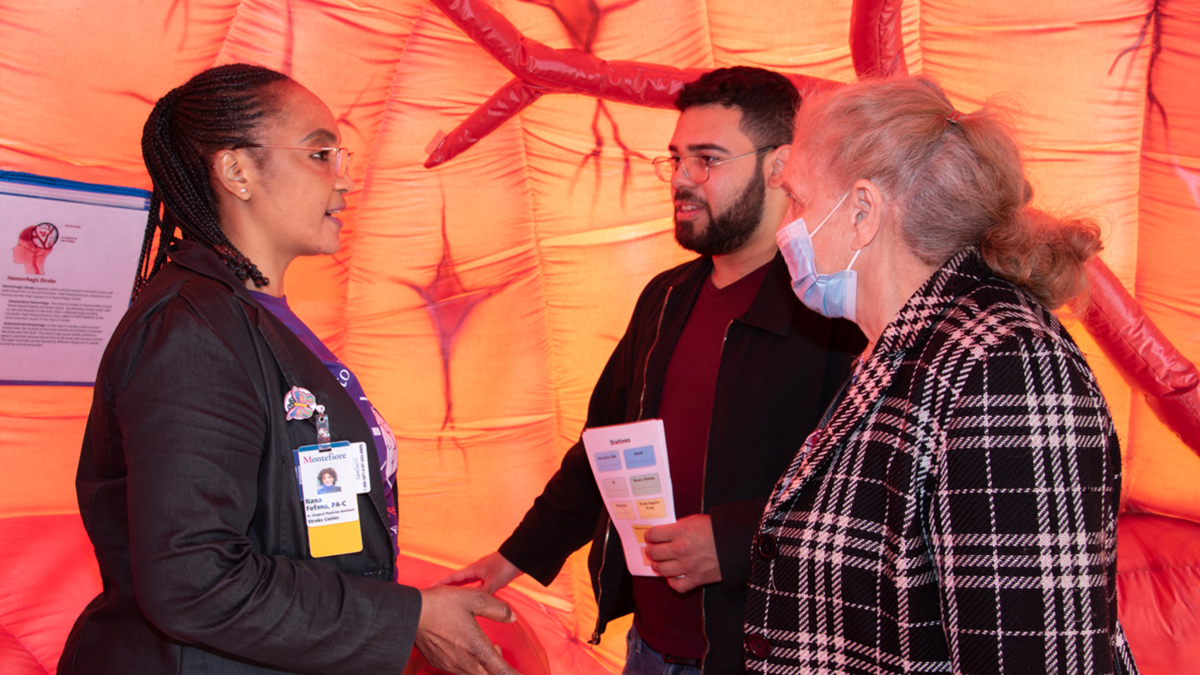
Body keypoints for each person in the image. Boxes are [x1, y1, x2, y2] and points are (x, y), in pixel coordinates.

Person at [60, 63, 517, 675]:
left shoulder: (252, 317)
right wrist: (406, 617)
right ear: (237, 171)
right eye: (320, 153)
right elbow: (194, 579)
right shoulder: (191, 333)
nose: (346, 179)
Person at [438, 67, 865, 674]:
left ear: (781, 166)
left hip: (773, 655)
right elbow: (604, 451)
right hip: (649, 650)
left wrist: (737, 541)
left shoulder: (835, 313)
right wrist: (513, 558)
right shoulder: (665, 299)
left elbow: (868, 489)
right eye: (675, 159)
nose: (682, 180)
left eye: (708, 159)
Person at [743, 76, 1139, 674]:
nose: (786, 228)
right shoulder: (906, 349)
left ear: (862, 211)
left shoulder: (1006, 368)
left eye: (798, 200)